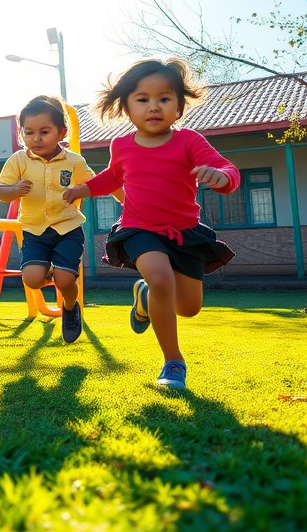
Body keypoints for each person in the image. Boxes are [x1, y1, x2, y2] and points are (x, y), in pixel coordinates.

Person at [63, 59, 239, 391]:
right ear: (127, 107)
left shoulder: (189, 141)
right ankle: (173, 362)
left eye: (164, 98)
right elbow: (112, 177)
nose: (153, 106)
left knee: (188, 307)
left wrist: (221, 176)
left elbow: (226, 169)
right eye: (143, 99)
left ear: (179, 107)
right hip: (140, 229)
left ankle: (145, 296)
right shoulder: (122, 146)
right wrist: (81, 189)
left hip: (185, 233)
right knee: (161, 278)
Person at [0, 95, 99, 344]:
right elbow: (1, 192)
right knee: (32, 279)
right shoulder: (18, 160)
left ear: (62, 132)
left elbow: (93, 184)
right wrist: (14, 190)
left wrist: (78, 191)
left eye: (44, 132)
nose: (36, 139)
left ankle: (70, 306)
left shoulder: (74, 161)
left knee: (65, 280)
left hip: (67, 228)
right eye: (29, 132)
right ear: (21, 133)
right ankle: (53, 271)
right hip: (34, 231)